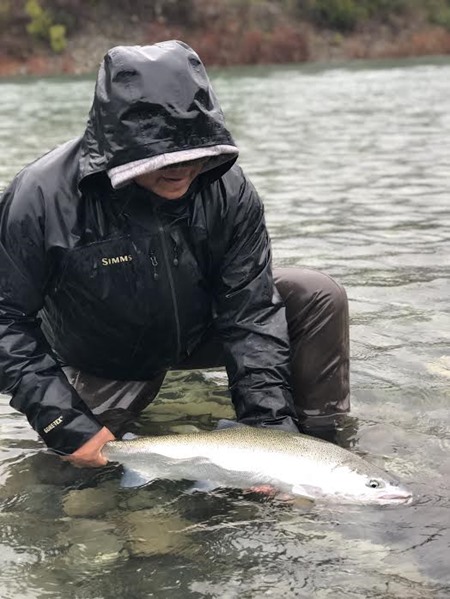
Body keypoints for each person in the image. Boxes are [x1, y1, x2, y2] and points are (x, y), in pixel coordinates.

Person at [0, 41, 349, 469]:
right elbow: (6, 321)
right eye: (160, 156)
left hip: (201, 329)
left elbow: (251, 313)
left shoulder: (229, 189)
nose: (181, 168)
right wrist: (64, 423)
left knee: (316, 294)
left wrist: (271, 433)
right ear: (118, 145)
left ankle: (324, 438)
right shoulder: (40, 197)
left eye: (193, 152)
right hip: (107, 356)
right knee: (75, 471)